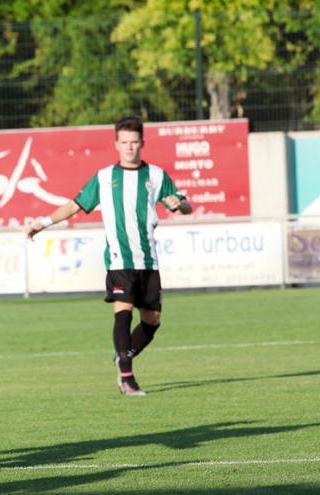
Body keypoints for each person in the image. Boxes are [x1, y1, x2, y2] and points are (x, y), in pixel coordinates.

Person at [27, 116, 192, 396]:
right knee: (123, 312)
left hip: (148, 260)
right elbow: (74, 205)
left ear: (142, 143)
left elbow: (184, 205)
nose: (129, 148)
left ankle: (122, 355)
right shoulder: (105, 177)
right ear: (116, 144)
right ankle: (127, 376)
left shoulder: (156, 176)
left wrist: (182, 204)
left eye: (134, 142)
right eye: (124, 142)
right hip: (119, 260)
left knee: (152, 321)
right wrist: (43, 222)